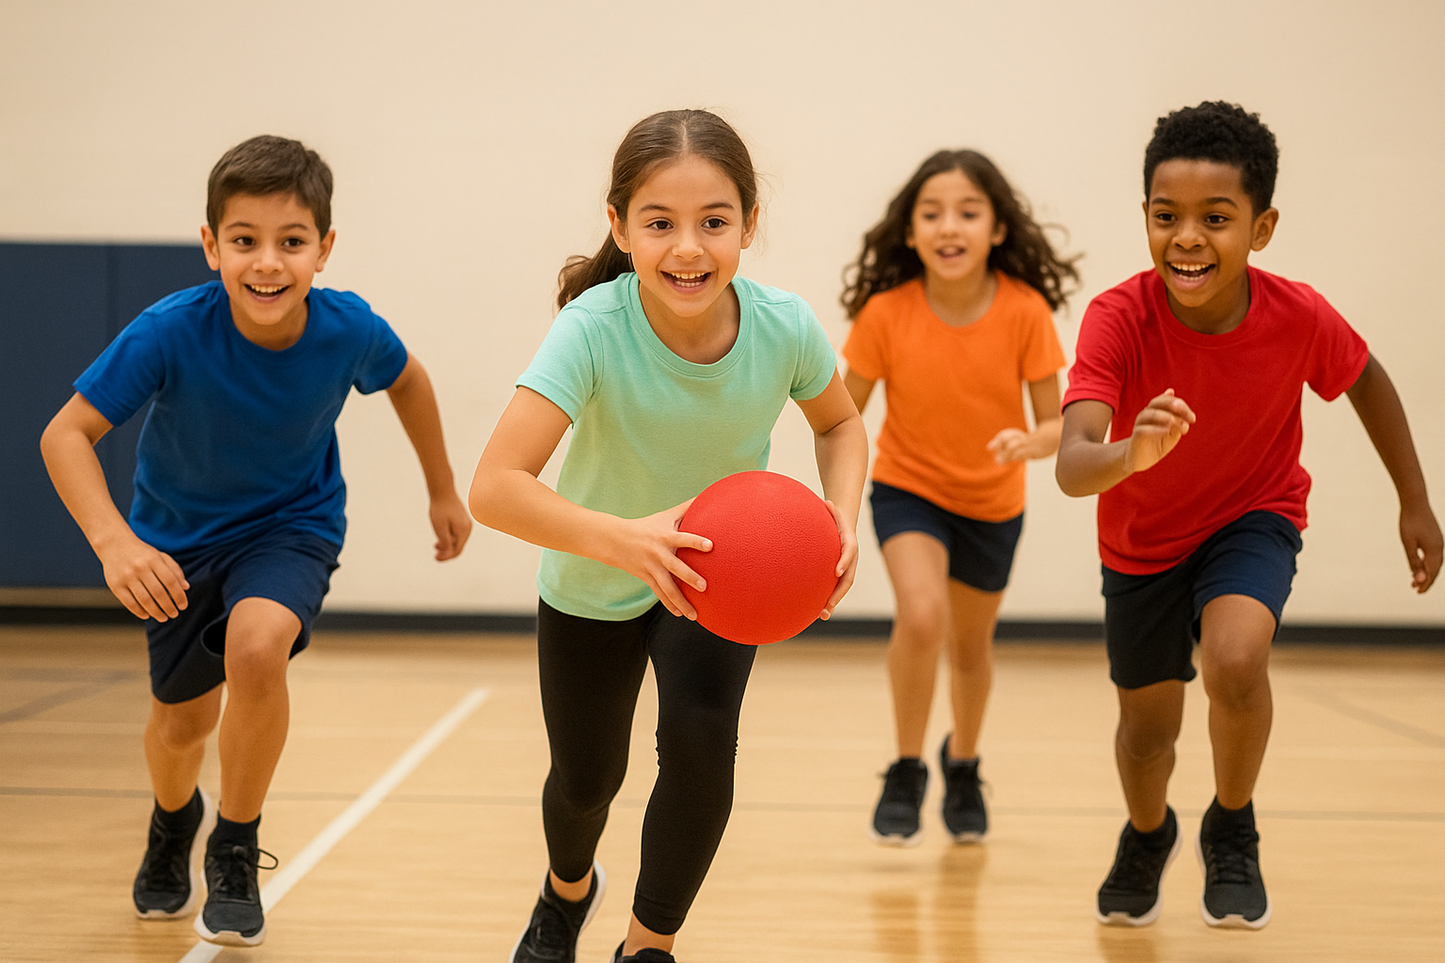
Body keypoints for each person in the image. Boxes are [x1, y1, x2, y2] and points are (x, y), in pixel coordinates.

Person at [39, 135, 473, 947]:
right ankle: (175, 821)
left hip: (291, 526)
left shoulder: (347, 329)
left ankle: (234, 846)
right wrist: (113, 543)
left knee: (259, 646)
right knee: (181, 726)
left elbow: (408, 379)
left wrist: (441, 488)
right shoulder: (168, 331)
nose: (267, 262)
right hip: (177, 544)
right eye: (244, 240)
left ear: (324, 249)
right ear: (211, 245)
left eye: (291, 241)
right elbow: (66, 434)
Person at [469, 109, 868, 963]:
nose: (687, 248)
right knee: (586, 781)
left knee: (698, 746)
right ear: (619, 225)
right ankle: (564, 891)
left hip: (714, 587)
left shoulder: (784, 325)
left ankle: (648, 944)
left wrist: (841, 516)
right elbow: (494, 489)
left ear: (748, 225)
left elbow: (840, 425)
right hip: (592, 581)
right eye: (659, 223)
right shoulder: (593, 328)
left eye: (713, 223)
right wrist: (623, 540)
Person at [1055, 101, 1441, 930]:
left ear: (1259, 228)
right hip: (1141, 540)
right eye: (1167, 217)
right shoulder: (1117, 319)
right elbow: (1071, 463)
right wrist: (1131, 453)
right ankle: (1148, 831)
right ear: (1146, 219)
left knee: (1235, 659)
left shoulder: (1296, 314)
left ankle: (1232, 823)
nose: (1187, 237)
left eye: (1215, 218)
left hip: (1251, 516)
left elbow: (1367, 380)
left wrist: (1413, 499)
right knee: (1146, 733)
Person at [840, 149, 1079, 846]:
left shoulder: (1025, 311)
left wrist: (1034, 443)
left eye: (968, 212)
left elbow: (1057, 423)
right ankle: (907, 766)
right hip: (907, 489)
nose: (950, 226)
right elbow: (839, 414)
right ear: (909, 231)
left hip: (991, 501)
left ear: (997, 229)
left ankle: (964, 763)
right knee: (920, 616)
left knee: (970, 646)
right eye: (932, 212)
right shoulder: (885, 314)